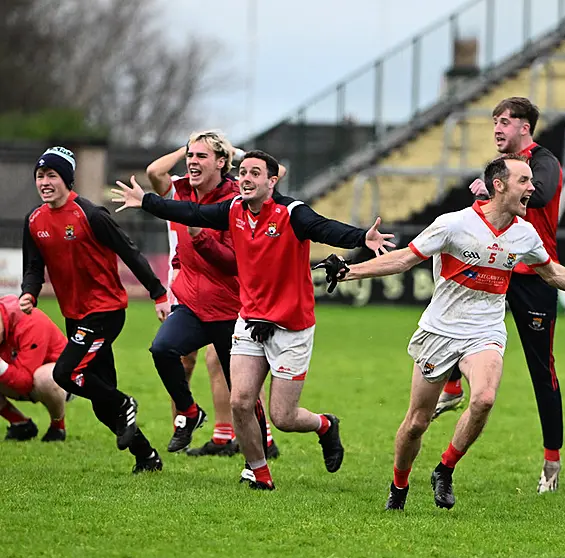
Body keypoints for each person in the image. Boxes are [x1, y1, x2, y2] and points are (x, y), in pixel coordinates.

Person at [319, 154, 565, 511]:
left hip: (486, 330)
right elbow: (404, 259)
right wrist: (351, 271)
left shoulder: (524, 233)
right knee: (416, 423)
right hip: (440, 331)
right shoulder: (454, 224)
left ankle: (445, 469)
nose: (532, 188)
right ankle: (399, 487)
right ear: (499, 185)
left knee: (485, 399)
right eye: (524, 181)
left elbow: (550, 272)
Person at [111, 150, 395, 490]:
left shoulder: (292, 213)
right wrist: (148, 202)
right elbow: (191, 212)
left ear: (272, 181)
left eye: (254, 173)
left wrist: (362, 237)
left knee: (283, 417)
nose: (245, 178)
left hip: (292, 326)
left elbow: (324, 228)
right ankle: (260, 474)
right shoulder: (233, 211)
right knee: (240, 401)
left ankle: (324, 426)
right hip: (250, 321)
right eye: (242, 172)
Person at [434, 97, 565, 493]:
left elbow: (537, 198)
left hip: (534, 277)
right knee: (456, 321)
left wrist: (501, 190)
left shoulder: (543, 163)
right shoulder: (499, 172)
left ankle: (552, 463)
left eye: (505, 121)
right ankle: (453, 385)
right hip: (497, 267)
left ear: (525, 127)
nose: (497, 128)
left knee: (541, 369)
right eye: (494, 121)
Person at [21, 146, 166, 473]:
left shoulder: (91, 215)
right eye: (40, 176)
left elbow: (129, 252)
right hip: (75, 316)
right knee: (102, 406)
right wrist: (29, 293)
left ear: (67, 180)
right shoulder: (34, 221)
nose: (44, 182)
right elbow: (33, 266)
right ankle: (147, 456)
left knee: (66, 373)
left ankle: (125, 402)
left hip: (106, 311)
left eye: (52, 175)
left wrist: (158, 293)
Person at [144, 133, 278, 458]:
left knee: (239, 390)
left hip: (233, 307)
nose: (192, 162)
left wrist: (200, 238)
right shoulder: (182, 190)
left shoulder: (237, 200)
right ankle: (189, 415)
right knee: (165, 350)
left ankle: (261, 450)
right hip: (191, 301)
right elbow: (154, 175)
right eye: (190, 156)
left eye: (201, 156)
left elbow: (235, 262)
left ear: (221, 162)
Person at [0, 294, 69, 441]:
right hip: (19, 376)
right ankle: (20, 423)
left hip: (65, 379)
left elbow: (25, 382)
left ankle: (58, 427)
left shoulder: (30, 321)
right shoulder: (4, 324)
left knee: (45, 378)